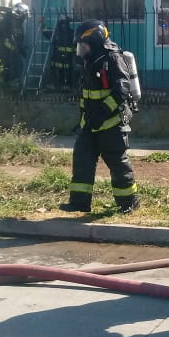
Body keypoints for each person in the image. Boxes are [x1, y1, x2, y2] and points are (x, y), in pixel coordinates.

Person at [61, 20, 139, 214]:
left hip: (110, 124)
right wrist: (83, 122)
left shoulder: (112, 58)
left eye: (83, 44)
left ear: (95, 41)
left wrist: (102, 114)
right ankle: (79, 203)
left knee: (117, 163)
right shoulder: (90, 60)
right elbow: (87, 97)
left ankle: (128, 203)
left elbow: (121, 91)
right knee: (82, 161)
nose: (81, 49)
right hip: (89, 125)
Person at [0, 2, 30, 86]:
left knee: (17, 64)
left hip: (14, 50)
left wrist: (21, 49)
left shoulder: (19, 23)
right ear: (19, 14)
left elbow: (19, 38)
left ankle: (12, 82)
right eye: (24, 15)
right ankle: (8, 83)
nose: (25, 17)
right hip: (7, 50)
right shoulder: (8, 20)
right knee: (9, 65)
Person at [49, 16, 76, 91]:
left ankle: (66, 85)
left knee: (67, 71)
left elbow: (76, 44)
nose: (63, 26)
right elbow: (48, 33)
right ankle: (58, 85)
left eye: (65, 24)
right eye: (62, 24)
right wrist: (42, 25)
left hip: (67, 57)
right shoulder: (57, 33)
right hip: (59, 56)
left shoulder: (71, 33)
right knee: (59, 70)